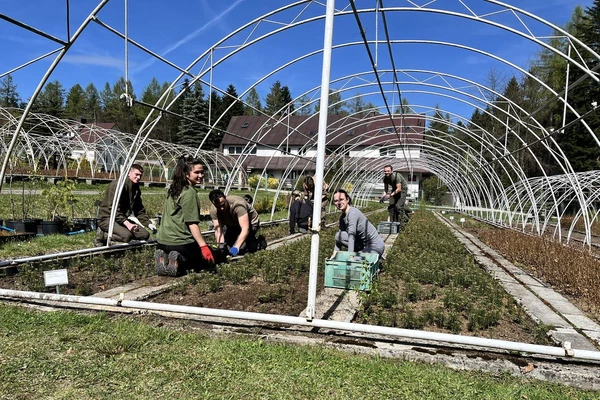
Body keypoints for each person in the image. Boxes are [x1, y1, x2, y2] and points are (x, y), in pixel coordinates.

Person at [155, 157, 215, 276]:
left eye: (202, 172)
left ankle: (165, 256)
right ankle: (180, 260)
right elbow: (192, 223)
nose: (201, 175)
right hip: (180, 241)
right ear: (186, 174)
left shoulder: (174, 189)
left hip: (162, 239)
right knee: (202, 261)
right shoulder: (189, 193)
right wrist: (203, 246)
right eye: (196, 172)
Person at [95, 163, 155, 246]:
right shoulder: (117, 185)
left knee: (144, 235)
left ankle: (120, 233)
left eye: (140, 175)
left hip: (121, 219)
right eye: (136, 174)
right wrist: (128, 224)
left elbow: (138, 209)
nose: (138, 177)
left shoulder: (135, 189)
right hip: (107, 218)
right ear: (129, 173)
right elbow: (113, 208)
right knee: (127, 236)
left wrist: (148, 223)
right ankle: (102, 235)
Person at [209, 189, 267, 257]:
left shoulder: (238, 205)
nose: (221, 208)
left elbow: (245, 228)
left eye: (223, 204)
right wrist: (221, 246)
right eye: (218, 207)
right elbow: (218, 230)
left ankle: (259, 243)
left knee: (241, 249)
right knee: (227, 248)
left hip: (251, 223)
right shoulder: (214, 210)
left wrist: (237, 246)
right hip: (232, 224)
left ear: (225, 197)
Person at [332, 189, 385, 259]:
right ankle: (364, 254)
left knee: (356, 260)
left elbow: (351, 236)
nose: (338, 203)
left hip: (375, 246)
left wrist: (350, 256)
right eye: (336, 201)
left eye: (341, 199)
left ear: (347, 200)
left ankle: (377, 257)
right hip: (362, 244)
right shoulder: (342, 218)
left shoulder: (353, 213)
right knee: (338, 235)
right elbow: (339, 238)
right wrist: (334, 254)